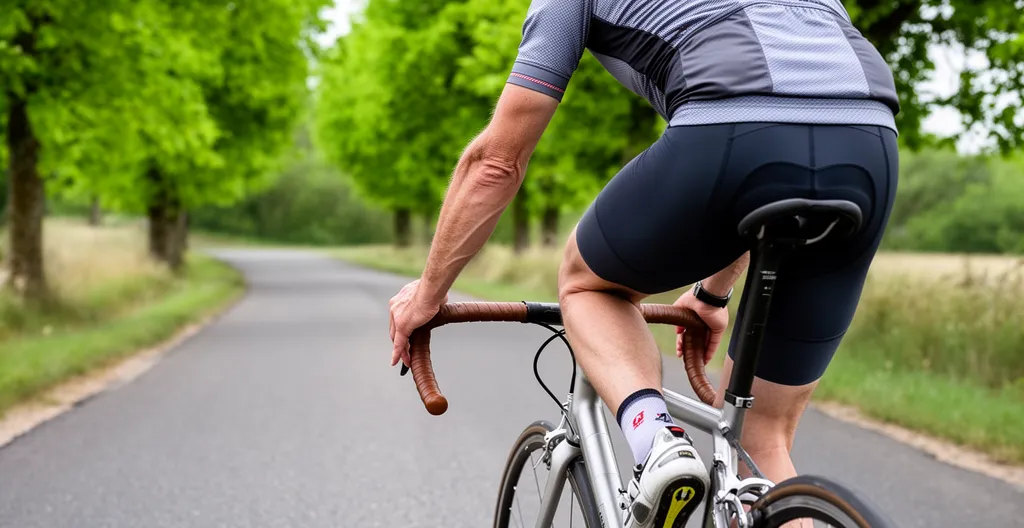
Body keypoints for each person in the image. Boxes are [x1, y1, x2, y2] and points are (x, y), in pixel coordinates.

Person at [388, 0, 899, 526]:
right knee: (758, 441)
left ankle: (657, 440)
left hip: (728, 127)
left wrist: (428, 295)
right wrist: (711, 294)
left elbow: (496, 161)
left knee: (589, 287)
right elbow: (785, 159)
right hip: (869, 143)